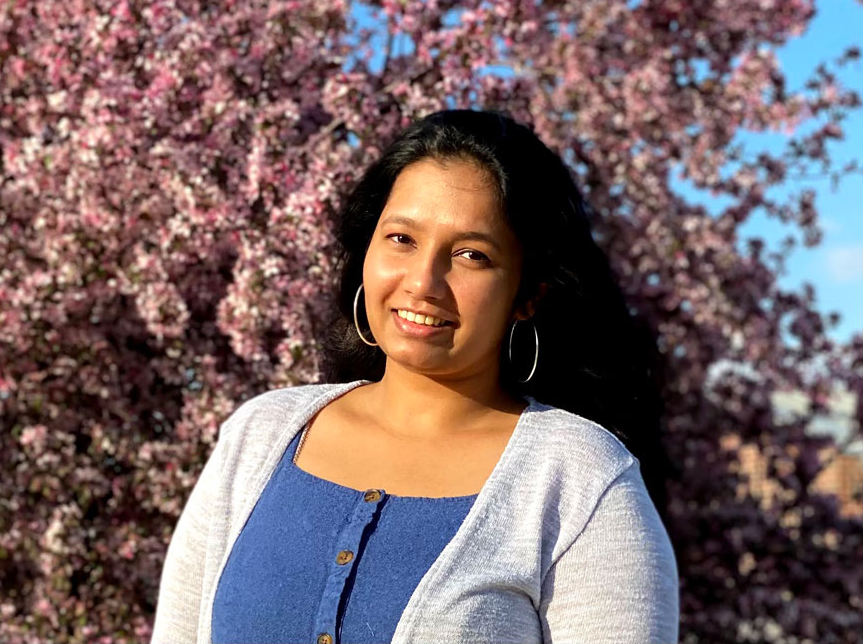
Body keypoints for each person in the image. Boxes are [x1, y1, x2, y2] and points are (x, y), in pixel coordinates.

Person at [150, 110, 680, 644]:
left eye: (472, 255)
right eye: (401, 239)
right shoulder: (260, 435)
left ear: (529, 294)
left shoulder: (580, 481)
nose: (424, 281)